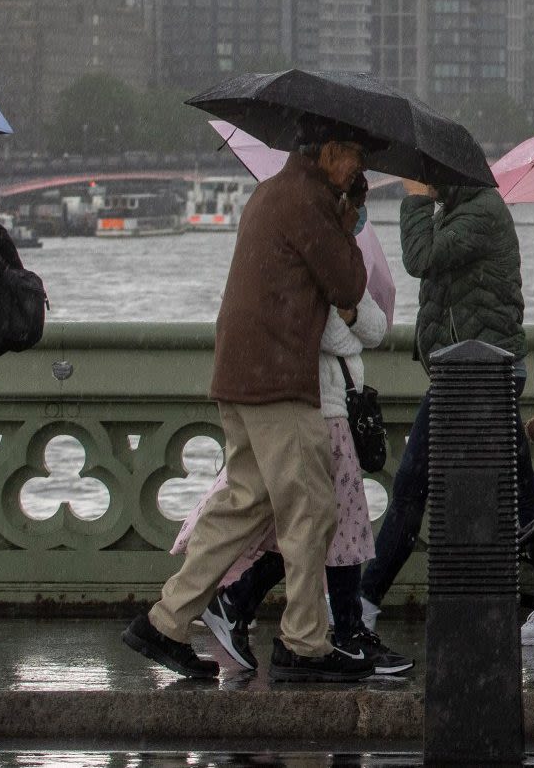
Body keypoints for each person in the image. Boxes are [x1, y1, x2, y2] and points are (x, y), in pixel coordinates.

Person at [122, 121, 373, 684]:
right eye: (355, 156)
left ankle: (165, 621)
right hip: (278, 380)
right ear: (330, 151)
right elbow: (349, 285)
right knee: (311, 510)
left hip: (241, 374)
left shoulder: (271, 191)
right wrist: (347, 217)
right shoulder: (308, 201)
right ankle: (305, 643)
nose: (360, 168)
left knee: (245, 503)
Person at [197, 175, 411, 677]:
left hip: (327, 400)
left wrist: (356, 314)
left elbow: (373, 328)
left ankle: (246, 603)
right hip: (315, 403)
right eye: (355, 204)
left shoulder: (334, 253)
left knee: (309, 526)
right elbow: (340, 333)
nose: (359, 214)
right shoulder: (308, 252)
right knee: (333, 524)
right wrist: (355, 317)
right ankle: (336, 630)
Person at [359, 173, 534, 629]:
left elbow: (420, 258)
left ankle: (365, 600)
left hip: (479, 373)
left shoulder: (482, 211)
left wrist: (416, 202)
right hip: (471, 370)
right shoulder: (461, 211)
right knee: (520, 490)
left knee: (411, 485)